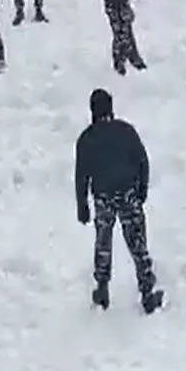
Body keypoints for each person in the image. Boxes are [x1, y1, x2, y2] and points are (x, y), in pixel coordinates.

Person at [75, 88, 164, 314]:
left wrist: (82, 206)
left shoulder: (86, 138)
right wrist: (141, 189)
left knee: (103, 242)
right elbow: (143, 160)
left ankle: (102, 288)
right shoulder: (125, 131)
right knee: (137, 242)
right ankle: (147, 291)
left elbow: (81, 175)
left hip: (103, 196)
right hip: (127, 192)